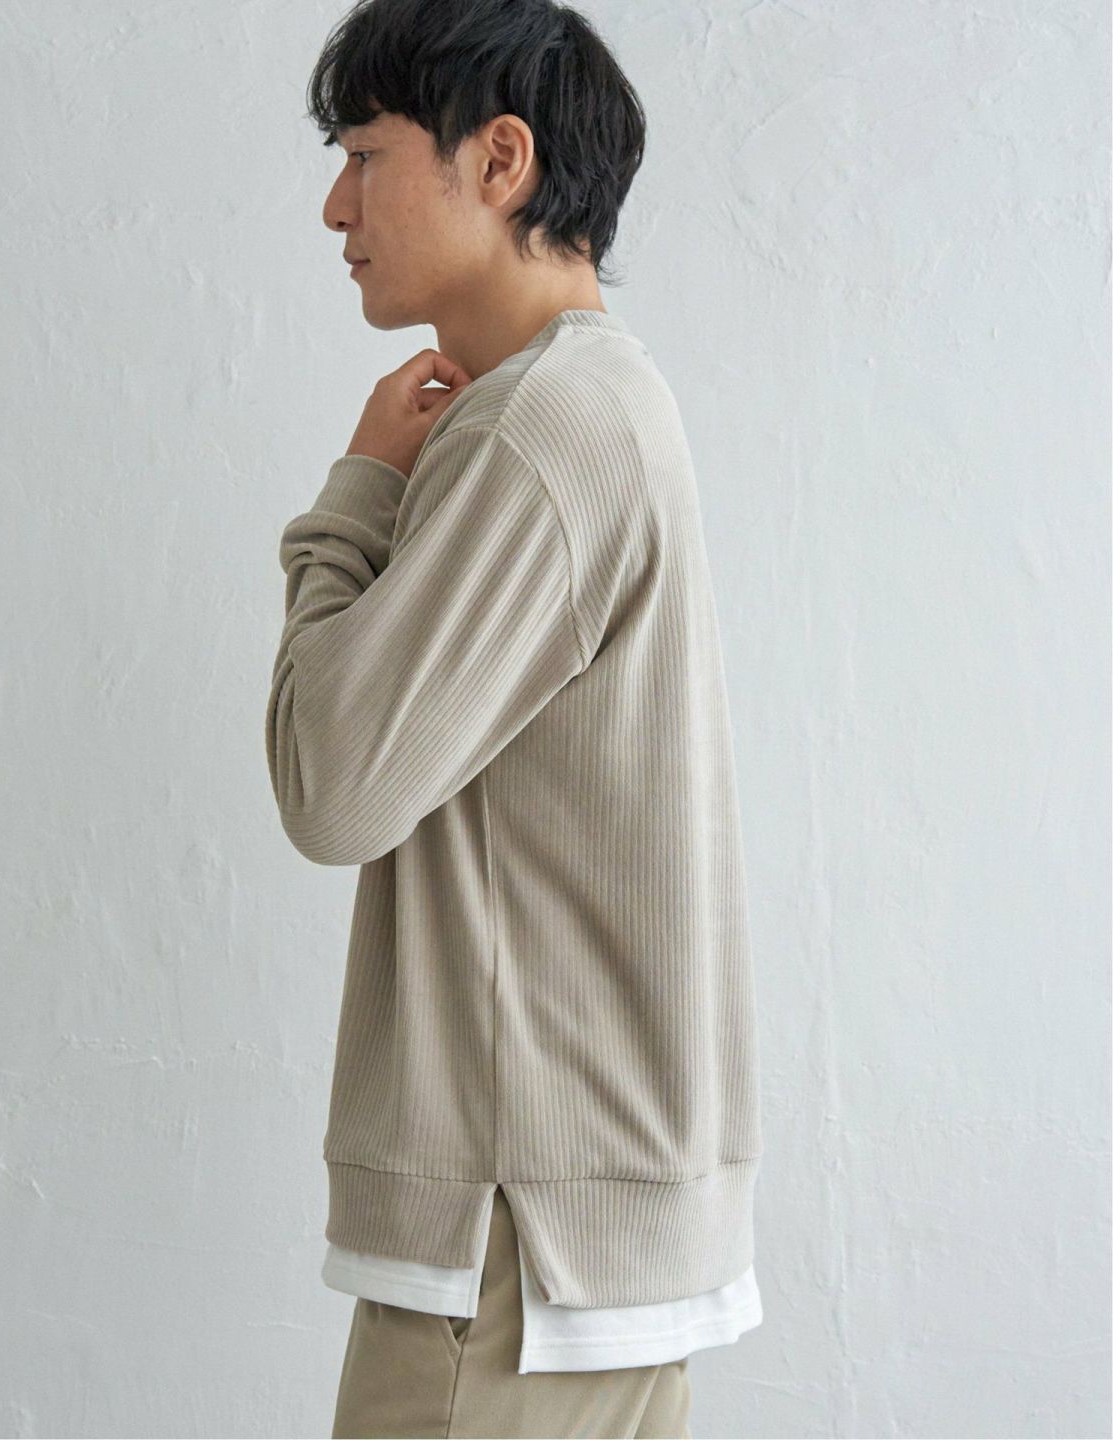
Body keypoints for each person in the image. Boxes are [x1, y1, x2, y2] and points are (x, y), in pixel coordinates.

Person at [264, 1, 766, 1434]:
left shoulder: (538, 427)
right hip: (579, 1234)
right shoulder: (603, 404)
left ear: (499, 160)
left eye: (365, 155)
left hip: (512, 1246)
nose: (336, 207)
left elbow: (332, 786)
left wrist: (356, 498)